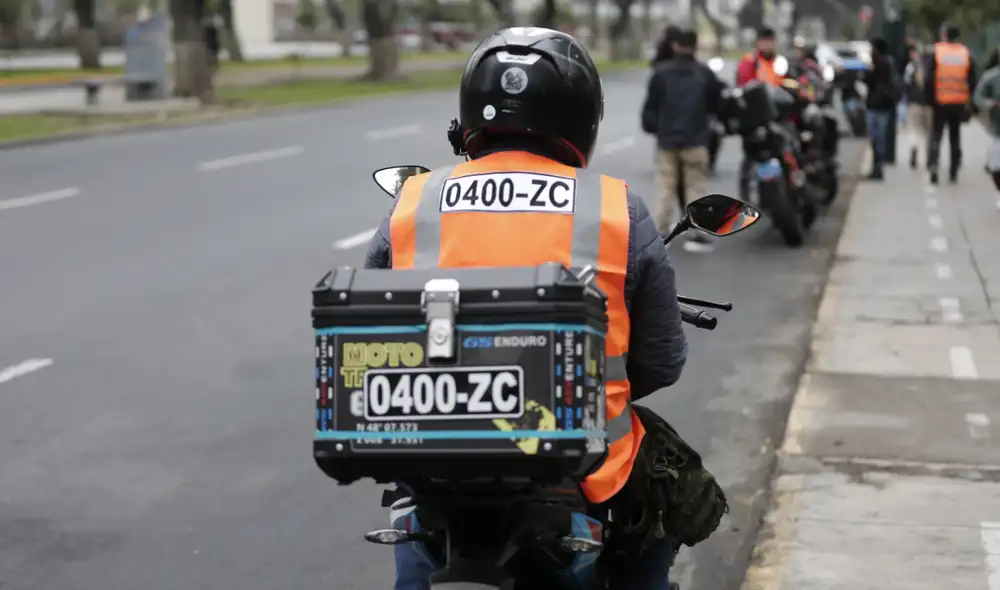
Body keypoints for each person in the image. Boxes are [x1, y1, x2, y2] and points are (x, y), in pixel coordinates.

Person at [364, 27, 689, 590]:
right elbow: (660, 362)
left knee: (416, 530)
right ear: (582, 119)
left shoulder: (414, 201)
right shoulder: (619, 210)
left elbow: (368, 337)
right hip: (581, 468)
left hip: (432, 453)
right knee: (668, 500)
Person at [642, 28, 722, 253]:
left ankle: (659, 230)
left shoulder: (661, 73)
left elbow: (651, 106)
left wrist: (654, 127)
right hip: (696, 139)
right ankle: (697, 230)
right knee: (695, 186)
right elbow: (716, 104)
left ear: (675, 46)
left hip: (667, 140)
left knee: (665, 185)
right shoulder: (705, 73)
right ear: (696, 47)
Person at [924, 22, 978, 184]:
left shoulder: (937, 52)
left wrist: (929, 99)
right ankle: (954, 169)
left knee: (936, 134)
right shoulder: (965, 54)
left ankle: (934, 164)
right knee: (955, 136)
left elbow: (928, 79)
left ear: (945, 35)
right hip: (959, 102)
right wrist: (970, 101)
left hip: (940, 102)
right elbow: (973, 80)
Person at [862, 37, 900, 181]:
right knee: (879, 137)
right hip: (884, 105)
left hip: (877, 105)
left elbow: (869, 80)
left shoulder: (878, 64)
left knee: (876, 138)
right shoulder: (889, 63)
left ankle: (877, 167)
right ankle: (878, 166)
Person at [973, 48, 1000, 207]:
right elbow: (978, 97)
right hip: (997, 130)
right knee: (995, 165)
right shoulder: (991, 77)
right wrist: (992, 104)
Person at [902, 43, 930, 170]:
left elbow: (906, 83)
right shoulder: (932, 67)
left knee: (914, 129)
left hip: (914, 102)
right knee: (929, 131)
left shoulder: (911, 66)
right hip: (929, 103)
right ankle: (930, 156)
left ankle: (914, 148)